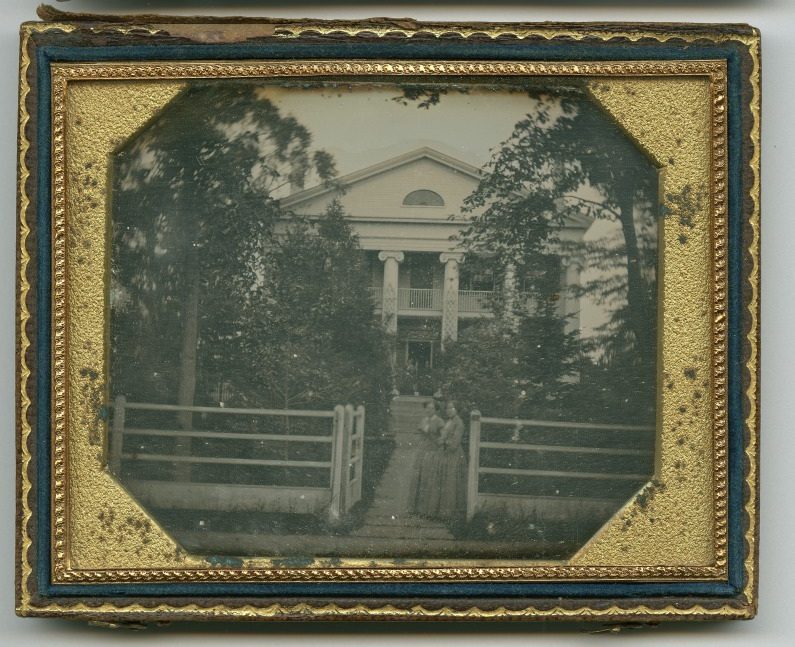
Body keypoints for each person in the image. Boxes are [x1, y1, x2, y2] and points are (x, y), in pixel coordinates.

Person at [407, 399, 444, 517]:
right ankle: (416, 508)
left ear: (436, 409)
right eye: (427, 408)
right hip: (422, 451)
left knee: (428, 479)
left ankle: (427, 509)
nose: (429, 410)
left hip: (432, 452)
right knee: (418, 477)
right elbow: (419, 434)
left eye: (432, 408)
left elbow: (442, 438)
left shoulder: (439, 422)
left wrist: (436, 443)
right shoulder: (424, 420)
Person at [437, 400, 467, 522]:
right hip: (446, 452)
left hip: (454, 454)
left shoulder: (459, 423)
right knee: (445, 481)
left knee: (452, 481)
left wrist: (445, 442)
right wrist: (440, 441)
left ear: (456, 409)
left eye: (451, 408)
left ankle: (451, 513)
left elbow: (455, 442)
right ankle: (443, 511)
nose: (448, 410)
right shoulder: (449, 421)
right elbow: (443, 436)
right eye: (447, 408)